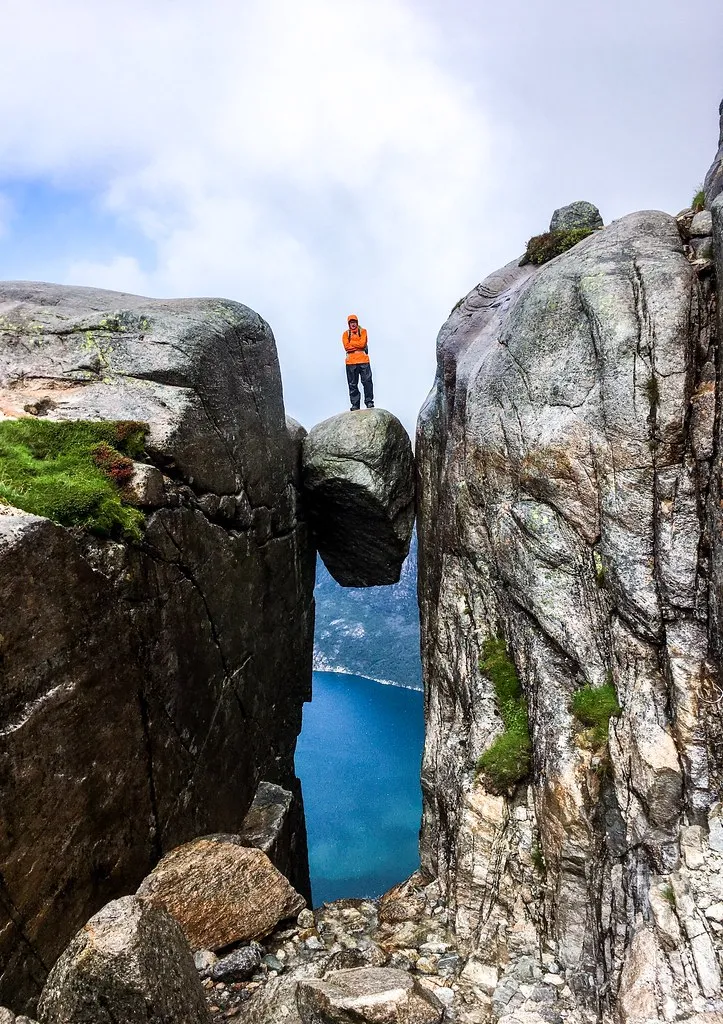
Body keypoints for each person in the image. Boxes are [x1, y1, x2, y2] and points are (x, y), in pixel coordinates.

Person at [342, 314, 374, 411]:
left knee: (367, 382)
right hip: (350, 362)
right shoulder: (345, 334)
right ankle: (355, 405)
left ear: (357, 323)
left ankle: (369, 402)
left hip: (363, 360)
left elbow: (363, 343)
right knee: (352, 384)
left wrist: (353, 345)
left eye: (354, 322)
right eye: (351, 322)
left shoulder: (363, 331)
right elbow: (346, 347)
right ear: (349, 324)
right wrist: (358, 345)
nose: (353, 324)